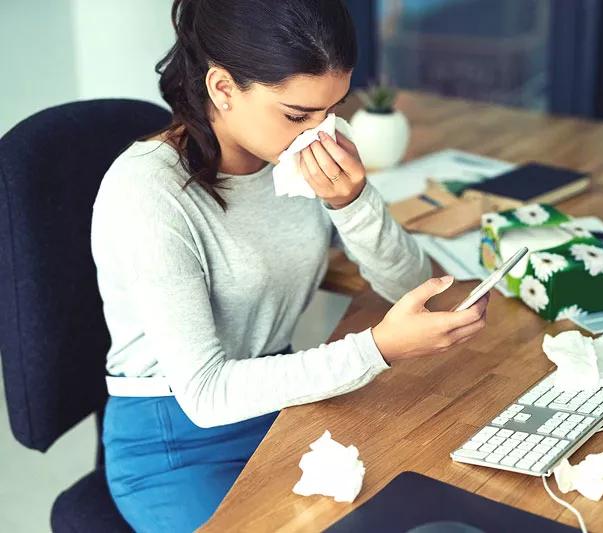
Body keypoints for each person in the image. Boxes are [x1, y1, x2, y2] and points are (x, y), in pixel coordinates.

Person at [91, 0, 489, 531]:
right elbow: (206, 394)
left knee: (445, 506)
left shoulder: (301, 154)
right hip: (177, 438)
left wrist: (353, 202)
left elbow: (415, 288)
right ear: (223, 88)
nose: (319, 133)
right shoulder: (148, 192)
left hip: (283, 403)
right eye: (298, 115)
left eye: (333, 109)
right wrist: (377, 348)